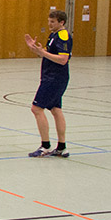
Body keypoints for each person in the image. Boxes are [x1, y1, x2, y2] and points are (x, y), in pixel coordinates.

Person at [24, 10, 72, 158]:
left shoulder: (63, 35)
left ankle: (45, 146)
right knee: (56, 109)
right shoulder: (54, 35)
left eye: (53, 22)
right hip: (50, 77)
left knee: (36, 108)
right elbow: (49, 55)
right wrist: (35, 48)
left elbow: (63, 59)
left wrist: (43, 53)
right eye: (49, 21)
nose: (49, 24)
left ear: (61, 22)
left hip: (55, 78)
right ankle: (61, 147)